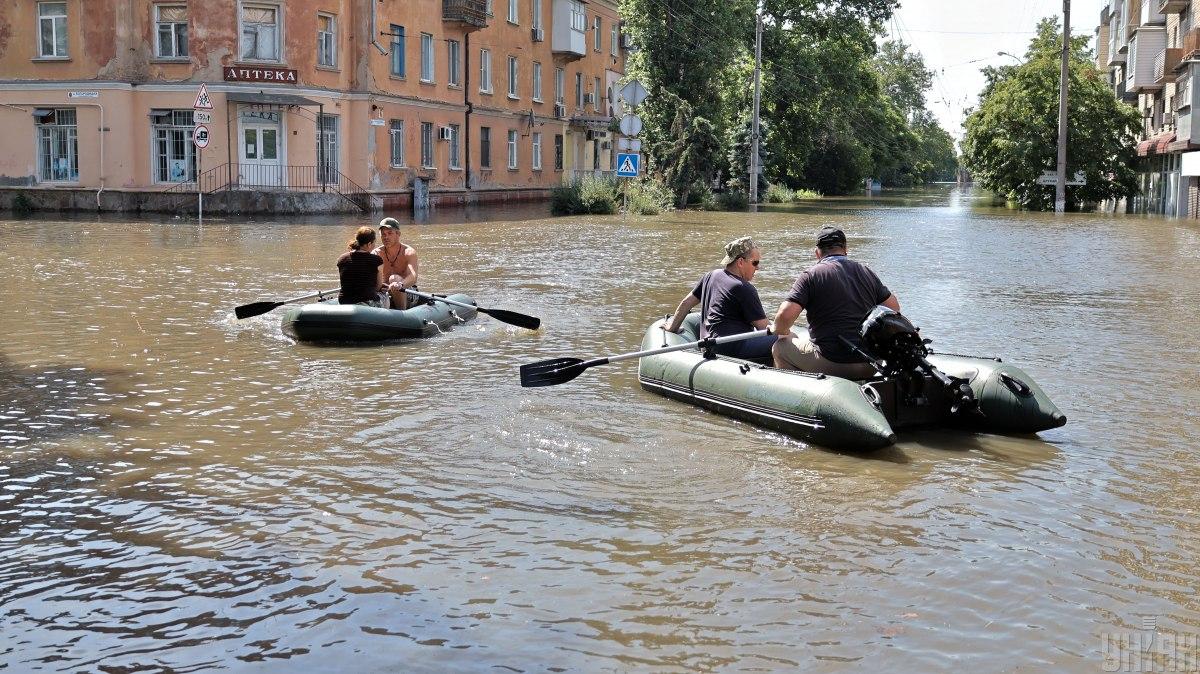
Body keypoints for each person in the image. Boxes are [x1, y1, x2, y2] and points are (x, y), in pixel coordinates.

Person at [771, 226, 901, 379]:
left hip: (833, 363)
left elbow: (785, 316)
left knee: (780, 348)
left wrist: (777, 329)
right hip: (871, 364)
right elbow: (894, 309)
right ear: (845, 249)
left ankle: (800, 391)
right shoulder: (866, 272)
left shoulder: (811, 275)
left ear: (817, 253)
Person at [664, 236, 777, 360]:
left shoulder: (711, 276)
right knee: (783, 338)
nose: (758, 267)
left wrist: (672, 327)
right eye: (755, 263)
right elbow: (766, 329)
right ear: (740, 262)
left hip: (707, 346)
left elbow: (686, 303)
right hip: (730, 349)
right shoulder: (744, 288)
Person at [373, 217, 419, 309]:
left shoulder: (409, 252)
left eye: (390, 233)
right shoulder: (376, 253)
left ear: (398, 234)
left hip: (406, 290)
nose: (386, 237)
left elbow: (413, 276)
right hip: (385, 292)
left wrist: (400, 284)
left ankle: (402, 313)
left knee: (394, 278)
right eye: (383, 234)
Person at [337, 226, 387, 307]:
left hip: (344, 301)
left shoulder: (342, 258)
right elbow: (378, 287)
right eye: (374, 242)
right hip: (367, 302)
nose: (375, 245)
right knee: (385, 296)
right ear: (369, 244)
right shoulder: (377, 260)